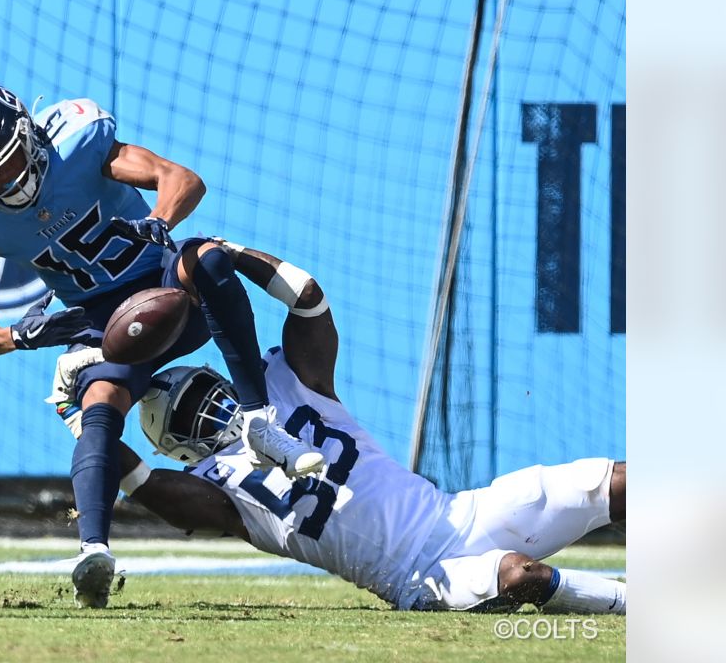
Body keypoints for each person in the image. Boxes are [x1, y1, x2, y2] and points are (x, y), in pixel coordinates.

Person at [46, 240, 627, 614]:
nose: (201, 408)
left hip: (461, 512)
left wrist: (233, 257)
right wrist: (84, 416)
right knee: (519, 574)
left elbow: (307, 300)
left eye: (197, 391)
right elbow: (141, 481)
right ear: (178, 444)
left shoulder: (283, 381)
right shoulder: (214, 489)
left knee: (619, 481)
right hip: (420, 577)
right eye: (182, 413)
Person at [0, 82, 323, 607]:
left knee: (206, 259)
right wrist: (18, 336)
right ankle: (93, 549)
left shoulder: (77, 142)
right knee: (98, 406)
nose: (8, 183)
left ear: (28, 134)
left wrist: (159, 221)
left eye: (9, 164)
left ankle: (258, 422)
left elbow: (181, 179)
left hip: (163, 281)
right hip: (103, 322)